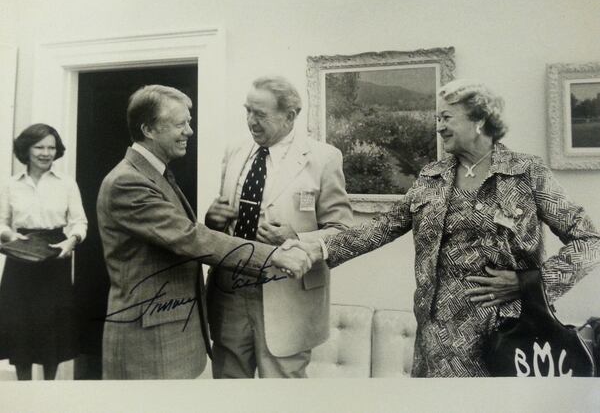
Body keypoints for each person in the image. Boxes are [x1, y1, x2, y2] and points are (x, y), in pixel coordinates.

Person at [279, 79, 600, 377]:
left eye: (447, 117)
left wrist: (528, 283)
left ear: (479, 120)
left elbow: (590, 240)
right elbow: (382, 227)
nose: (439, 126)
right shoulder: (431, 177)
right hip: (438, 342)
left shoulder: (527, 172)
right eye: (437, 119)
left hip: (509, 338)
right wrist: (316, 246)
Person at [96, 84, 310, 380]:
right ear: (148, 129)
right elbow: (189, 238)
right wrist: (273, 256)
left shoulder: (155, 173)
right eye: (180, 124)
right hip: (149, 343)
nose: (189, 131)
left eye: (189, 122)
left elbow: (179, 236)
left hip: (171, 334)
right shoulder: (127, 182)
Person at [204, 75, 353, 378]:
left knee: (283, 395)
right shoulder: (235, 151)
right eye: (247, 111)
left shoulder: (323, 158)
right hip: (230, 291)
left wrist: (296, 238)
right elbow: (220, 223)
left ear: (290, 115)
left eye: (260, 114)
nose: (250, 122)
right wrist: (212, 219)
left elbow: (343, 231)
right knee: (229, 392)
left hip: (286, 295)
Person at [0, 124, 87, 380]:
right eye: (39, 147)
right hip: (21, 257)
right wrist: (12, 236)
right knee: (20, 325)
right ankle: (24, 385)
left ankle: (50, 387)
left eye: (51, 147)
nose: (46, 153)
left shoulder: (67, 184)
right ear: (26, 149)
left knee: (52, 326)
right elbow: (1, 222)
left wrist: (71, 241)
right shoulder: (10, 184)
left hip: (53, 256)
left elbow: (79, 222)